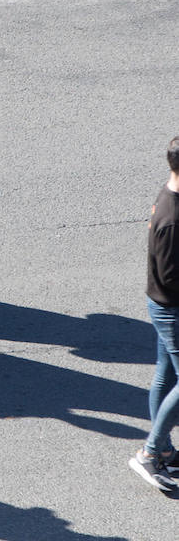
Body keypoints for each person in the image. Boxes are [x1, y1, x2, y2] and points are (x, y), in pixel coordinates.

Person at [130, 135, 179, 491]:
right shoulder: (172, 218)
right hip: (171, 307)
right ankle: (150, 454)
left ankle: (163, 448)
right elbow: (171, 277)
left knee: (164, 376)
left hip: (163, 303)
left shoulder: (170, 195)